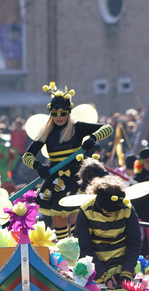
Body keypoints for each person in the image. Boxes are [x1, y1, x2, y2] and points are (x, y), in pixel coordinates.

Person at [22, 82, 104, 241]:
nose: (59, 117)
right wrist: (38, 166)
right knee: (59, 231)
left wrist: (92, 139)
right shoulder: (46, 132)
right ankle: (62, 262)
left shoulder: (78, 128)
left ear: (68, 112)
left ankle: (80, 260)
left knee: (77, 228)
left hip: (77, 179)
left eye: (62, 113)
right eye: (55, 113)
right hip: (55, 180)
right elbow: (27, 156)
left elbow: (107, 128)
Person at [73, 175, 142, 289]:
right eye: (108, 211)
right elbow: (85, 248)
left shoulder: (127, 209)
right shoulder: (86, 211)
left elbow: (134, 242)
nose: (112, 215)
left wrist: (127, 272)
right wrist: (104, 275)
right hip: (96, 269)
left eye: (115, 212)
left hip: (123, 266)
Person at [130, 147, 149, 255]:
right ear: (141, 163)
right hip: (143, 221)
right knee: (145, 250)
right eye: (147, 161)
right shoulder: (136, 180)